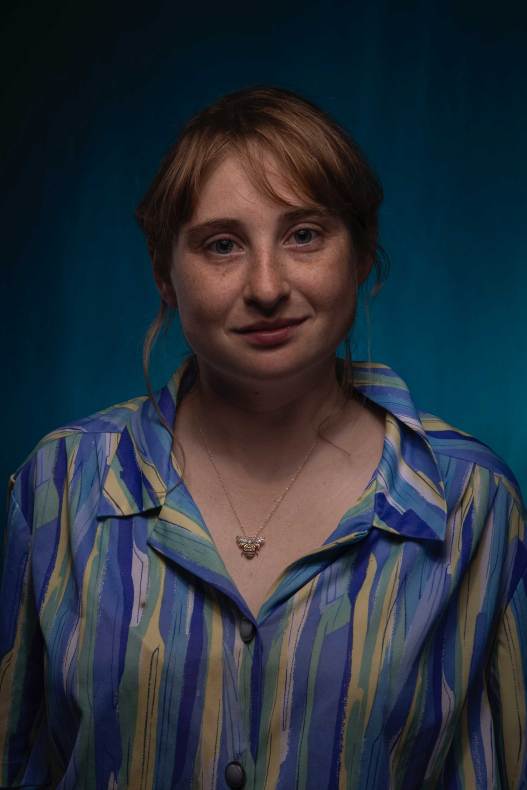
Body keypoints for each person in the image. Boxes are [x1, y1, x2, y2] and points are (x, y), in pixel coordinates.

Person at [1, 86, 525, 790]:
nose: (268, 286)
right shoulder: (59, 483)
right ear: (164, 274)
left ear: (360, 253)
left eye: (303, 234)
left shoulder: (471, 499)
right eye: (221, 245)